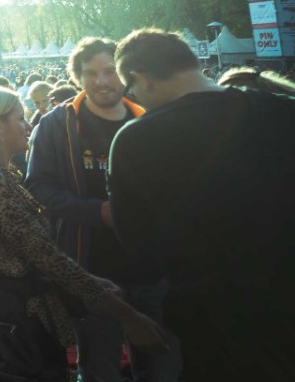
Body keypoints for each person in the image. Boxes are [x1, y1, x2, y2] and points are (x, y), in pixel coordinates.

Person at [111, 29, 295, 382]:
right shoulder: (282, 111)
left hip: (212, 317)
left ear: (140, 79)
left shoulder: (136, 139)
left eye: (129, 89)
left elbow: (136, 242)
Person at [0, 86, 165, 381]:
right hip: (17, 316)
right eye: (20, 118)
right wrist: (120, 309)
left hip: (14, 311)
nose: (29, 126)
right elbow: (43, 255)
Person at [26, 37, 179, 382]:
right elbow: (38, 186)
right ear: (77, 77)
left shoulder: (151, 118)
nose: (101, 81)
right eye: (90, 73)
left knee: (162, 368)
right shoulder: (56, 125)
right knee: (98, 371)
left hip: (153, 271)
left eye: (110, 71)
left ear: (125, 73)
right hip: (91, 272)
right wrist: (98, 212)